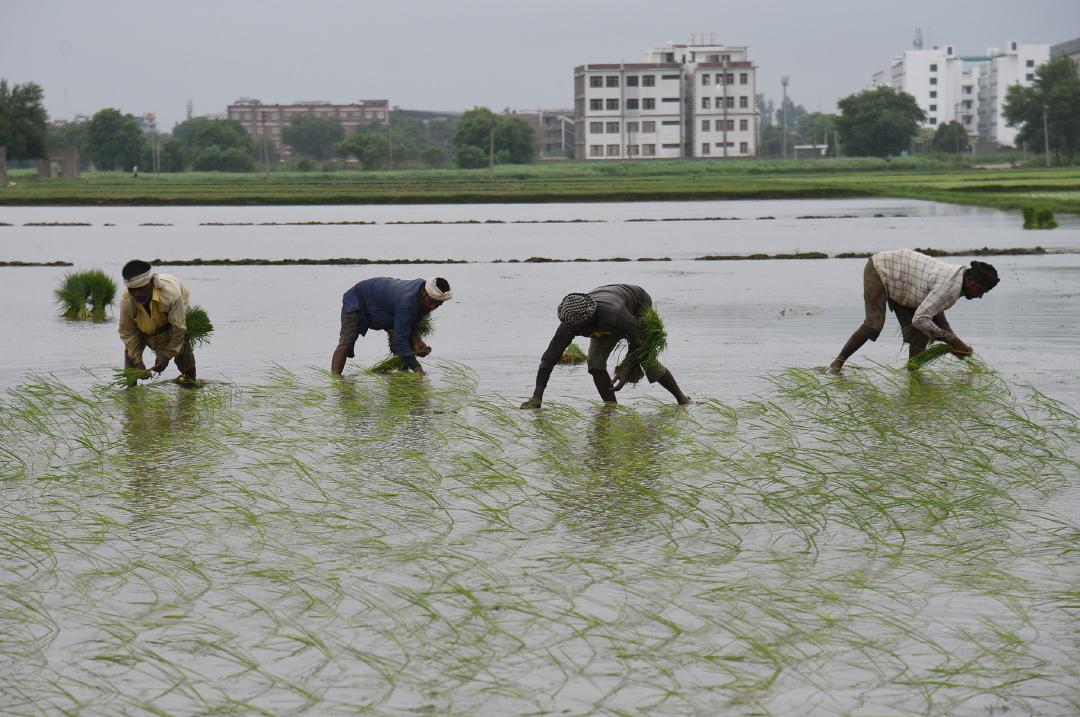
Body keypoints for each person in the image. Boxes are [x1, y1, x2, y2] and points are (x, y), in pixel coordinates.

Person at [521, 284, 690, 408]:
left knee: (648, 362)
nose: (573, 330)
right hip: (604, 325)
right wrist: (537, 397)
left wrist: (625, 369)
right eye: (571, 327)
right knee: (595, 364)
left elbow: (640, 339)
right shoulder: (569, 322)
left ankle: (682, 399)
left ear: (588, 317)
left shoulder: (616, 315)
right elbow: (550, 358)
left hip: (636, 304)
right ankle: (611, 409)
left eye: (577, 327)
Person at [830, 249, 999, 371]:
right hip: (882, 270)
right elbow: (920, 319)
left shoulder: (957, 280)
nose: (980, 296)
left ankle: (913, 373)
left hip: (906, 284)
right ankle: (836, 365)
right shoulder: (949, 289)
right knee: (873, 325)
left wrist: (960, 349)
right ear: (971, 281)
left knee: (920, 335)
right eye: (981, 291)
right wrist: (952, 341)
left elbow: (939, 320)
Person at [331, 277, 452, 375]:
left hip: (385, 309)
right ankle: (335, 382)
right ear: (424, 292)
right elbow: (400, 340)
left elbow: (414, 321)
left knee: (405, 341)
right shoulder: (407, 301)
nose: (433, 307)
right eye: (432, 302)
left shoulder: (423, 298)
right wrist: (418, 368)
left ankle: (400, 377)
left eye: (438, 305)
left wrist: (416, 341)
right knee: (346, 342)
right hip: (358, 299)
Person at [118, 260, 196, 383]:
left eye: (141, 289)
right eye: (132, 290)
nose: (137, 294)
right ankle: (131, 396)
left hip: (171, 321)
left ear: (151, 282)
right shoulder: (127, 301)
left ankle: (191, 385)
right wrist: (138, 363)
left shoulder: (171, 295)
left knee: (183, 348)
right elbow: (128, 333)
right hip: (143, 324)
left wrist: (166, 356)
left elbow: (179, 329)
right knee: (130, 356)